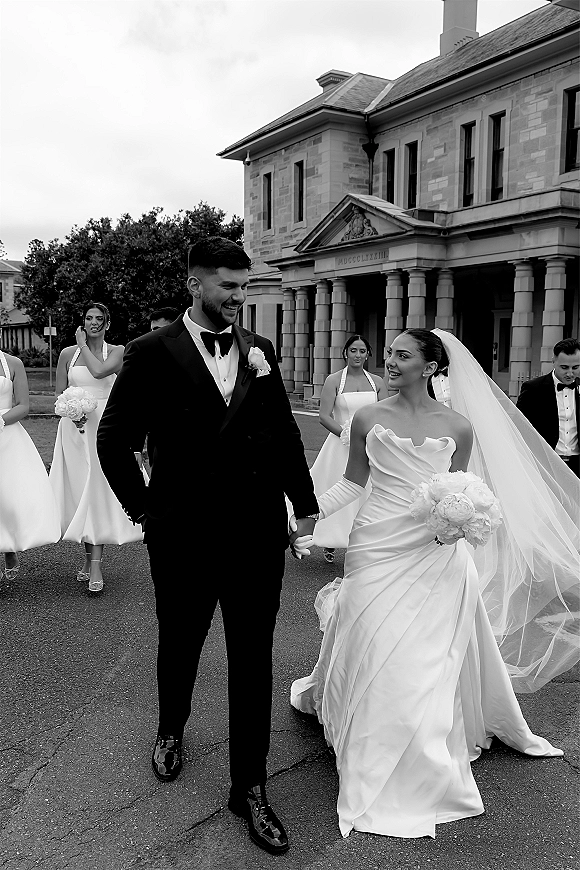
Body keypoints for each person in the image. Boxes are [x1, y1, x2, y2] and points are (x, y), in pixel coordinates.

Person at [291, 328, 563, 840]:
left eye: (402, 355)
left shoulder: (459, 427)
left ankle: (418, 753)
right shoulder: (368, 416)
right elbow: (354, 481)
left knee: (423, 657)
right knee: (374, 642)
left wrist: (458, 524)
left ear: (431, 366)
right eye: (389, 353)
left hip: (437, 554)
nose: (390, 361)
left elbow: (463, 491)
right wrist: (302, 516)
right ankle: (366, 742)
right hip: (375, 545)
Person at [96, 237, 318, 856]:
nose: (239, 299)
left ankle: (249, 787)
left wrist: (305, 504)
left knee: (253, 658)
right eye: (228, 287)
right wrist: (147, 512)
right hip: (183, 535)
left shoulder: (260, 352)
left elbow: (280, 438)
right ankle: (171, 729)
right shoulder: (149, 353)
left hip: (254, 533)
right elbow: (113, 441)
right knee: (182, 640)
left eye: (244, 288)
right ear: (195, 284)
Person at [49, 302, 143, 594]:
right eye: (88, 319)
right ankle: (89, 561)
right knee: (80, 492)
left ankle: (96, 565)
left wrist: (82, 345)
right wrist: (69, 411)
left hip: (103, 426)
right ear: (83, 321)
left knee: (97, 489)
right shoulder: (66, 354)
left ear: (107, 323)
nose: (93, 323)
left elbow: (100, 372)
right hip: (73, 429)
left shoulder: (117, 350)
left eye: (99, 319)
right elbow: (58, 394)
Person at [311, 336, 387, 562]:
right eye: (353, 350)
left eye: (362, 351)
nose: (357, 355)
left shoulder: (377, 382)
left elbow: (384, 413)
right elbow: (324, 416)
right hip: (340, 444)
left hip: (370, 446)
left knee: (368, 492)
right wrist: (346, 434)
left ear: (367, 354)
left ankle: (364, 541)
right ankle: (331, 540)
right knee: (335, 488)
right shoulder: (334, 380)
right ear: (346, 353)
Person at [0, 350, 60, 589]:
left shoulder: (12, 363)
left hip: (7, 435)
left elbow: (23, 406)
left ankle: (9, 547)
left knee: (10, 497)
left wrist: (0, 421)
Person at [516, 337, 580, 477]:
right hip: (546, 464)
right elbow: (520, 427)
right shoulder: (533, 389)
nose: (570, 373)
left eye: (575, 367)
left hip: (578, 465)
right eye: (564, 367)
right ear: (553, 361)